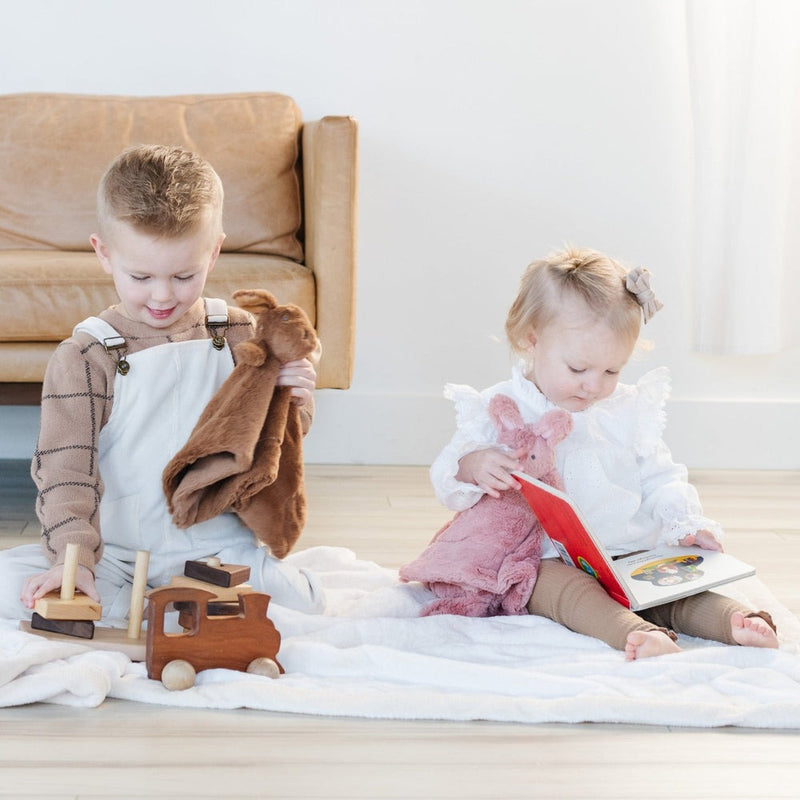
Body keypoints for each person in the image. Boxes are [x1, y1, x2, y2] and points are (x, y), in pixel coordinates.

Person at [0, 144, 324, 624]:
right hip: (116, 552)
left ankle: (170, 613)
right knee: (20, 595)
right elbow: (65, 471)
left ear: (213, 252)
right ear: (104, 254)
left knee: (305, 606)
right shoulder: (85, 356)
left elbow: (273, 442)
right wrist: (75, 559)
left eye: (184, 275)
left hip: (218, 546)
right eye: (141, 275)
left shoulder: (237, 333)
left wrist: (297, 397)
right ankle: (159, 610)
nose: (162, 295)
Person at [429, 246, 778, 660]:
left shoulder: (626, 411)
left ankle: (734, 621)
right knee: (568, 592)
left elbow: (660, 476)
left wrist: (684, 523)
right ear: (532, 340)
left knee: (665, 584)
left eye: (612, 371)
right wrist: (474, 465)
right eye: (578, 369)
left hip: (623, 547)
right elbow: (447, 475)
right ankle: (632, 631)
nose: (594, 386)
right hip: (542, 557)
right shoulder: (499, 406)